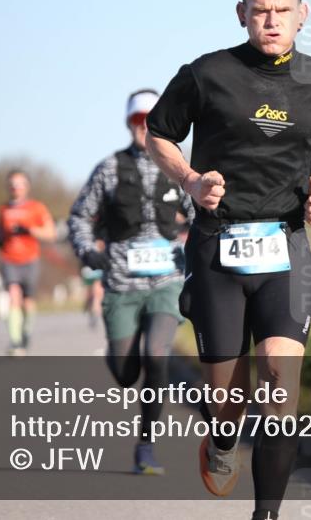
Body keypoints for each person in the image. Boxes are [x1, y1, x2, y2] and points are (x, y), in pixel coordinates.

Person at [146, 0, 311, 520]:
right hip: (217, 247)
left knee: (280, 386)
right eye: (261, 11)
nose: (272, 20)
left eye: (283, 11)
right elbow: (158, 133)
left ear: (302, 15)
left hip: (287, 247)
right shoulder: (206, 74)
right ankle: (221, 440)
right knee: (228, 402)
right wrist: (191, 180)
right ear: (242, 14)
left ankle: (266, 515)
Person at [68, 89, 193, 475]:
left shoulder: (181, 169)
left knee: (156, 354)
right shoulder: (108, 169)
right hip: (122, 285)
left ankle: (146, 447)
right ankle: (119, 354)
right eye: (138, 120)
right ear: (129, 124)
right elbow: (79, 217)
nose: (145, 126)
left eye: (152, 119)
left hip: (167, 281)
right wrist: (88, 252)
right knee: (125, 374)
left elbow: (204, 215)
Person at [0, 170, 56, 356]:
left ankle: (26, 332)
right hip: (9, 259)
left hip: (30, 259)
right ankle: (15, 341)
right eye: (12, 184)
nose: (16, 187)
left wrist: (29, 230)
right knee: (14, 295)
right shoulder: (3, 210)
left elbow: (51, 234)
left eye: (19, 184)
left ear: (27, 186)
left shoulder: (37, 207)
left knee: (28, 301)